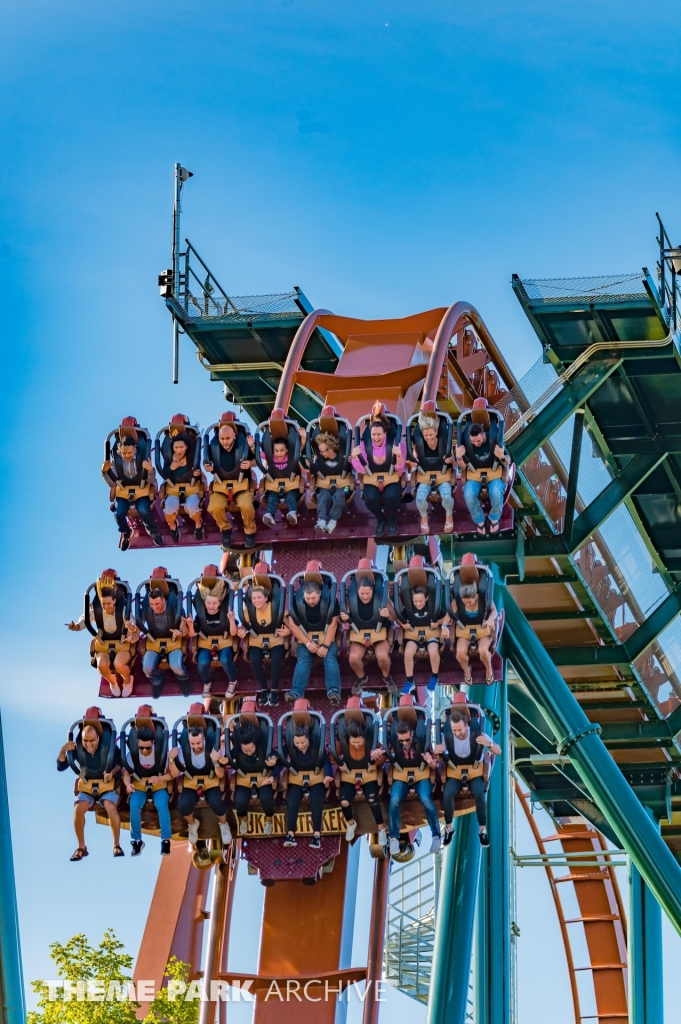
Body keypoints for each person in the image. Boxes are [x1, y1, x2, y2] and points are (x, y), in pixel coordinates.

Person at [57, 714, 123, 861]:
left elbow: (121, 763)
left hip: (106, 786)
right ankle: (81, 847)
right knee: (78, 809)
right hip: (87, 787)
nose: (88, 744)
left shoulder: (109, 746)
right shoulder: (78, 747)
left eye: (92, 740)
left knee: (110, 807)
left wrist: (111, 773)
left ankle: (116, 844)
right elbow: (60, 766)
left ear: (98, 738)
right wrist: (63, 750)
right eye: (85, 740)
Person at [436, 704, 501, 847]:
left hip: (474, 769)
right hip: (455, 769)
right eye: (454, 730)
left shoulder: (477, 733)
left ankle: (482, 829)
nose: (457, 733)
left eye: (459, 729)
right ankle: (449, 828)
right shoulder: (447, 736)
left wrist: (488, 743)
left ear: (466, 725)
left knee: (479, 792)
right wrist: (437, 752)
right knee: (447, 793)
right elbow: (439, 758)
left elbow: (498, 750)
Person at [67, 573, 137, 697]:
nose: (106, 607)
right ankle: (113, 682)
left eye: (109, 604)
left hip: (122, 643)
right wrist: (77, 626)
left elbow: (134, 625)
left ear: (114, 601)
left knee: (118, 664)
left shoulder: (122, 610)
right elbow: (85, 620)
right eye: (103, 604)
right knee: (101, 666)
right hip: (104, 643)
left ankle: (127, 680)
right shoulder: (97, 611)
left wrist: (131, 629)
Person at [169, 714, 233, 848]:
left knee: (217, 803)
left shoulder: (214, 748)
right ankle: (193, 824)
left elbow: (221, 775)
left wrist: (216, 762)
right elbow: (175, 773)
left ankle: (224, 824)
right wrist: (171, 760)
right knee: (183, 806)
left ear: (204, 739)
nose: (196, 746)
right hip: (192, 781)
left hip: (210, 780)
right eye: (192, 743)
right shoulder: (183, 751)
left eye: (198, 743)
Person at [386, 703, 441, 855]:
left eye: (407, 740)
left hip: (421, 771)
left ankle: (436, 835)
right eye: (401, 741)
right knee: (394, 800)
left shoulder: (422, 741)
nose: (404, 743)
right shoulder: (395, 743)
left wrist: (431, 762)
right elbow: (381, 752)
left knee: (425, 799)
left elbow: (435, 762)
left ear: (412, 734)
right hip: (402, 772)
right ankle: (394, 837)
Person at [281, 704, 333, 850]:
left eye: (303, 742)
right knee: (292, 799)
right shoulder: (291, 745)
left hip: (316, 776)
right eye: (297, 743)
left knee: (316, 799)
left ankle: (316, 835)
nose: (300, 746)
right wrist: (272, 776)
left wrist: (328, 775)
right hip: (297, 776)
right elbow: (280, 758)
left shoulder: (316, 745)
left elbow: (325, 761)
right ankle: (290, 834)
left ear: (308, 738)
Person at [334, 702, 387, 845]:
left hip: (368, 774)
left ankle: (381, 828)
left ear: (364, 738)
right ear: (349, 739)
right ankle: (351, 823)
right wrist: (340, 764)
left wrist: (376, 759)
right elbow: (331, 754)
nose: (356, 745)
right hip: (350, 775)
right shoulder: (343, 743)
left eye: (359, 742)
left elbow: (384, 755)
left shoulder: (372, 742)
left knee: (372, 799)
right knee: (344, 801)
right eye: (354, 742)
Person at [102, 427, 163, 550]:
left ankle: (153, 531)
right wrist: (104, 472)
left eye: (130, 453)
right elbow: (112, 483)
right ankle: (126, 533)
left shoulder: (142, 460)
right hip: (123, 490)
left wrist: (150, 469)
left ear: (135, 449)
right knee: (119, 513)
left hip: (141, 489)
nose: (127, 456)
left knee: (143, 509)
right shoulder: (116, 463)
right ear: (119, 450)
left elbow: (150, 480)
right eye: (124, 453)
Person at [352, 405, 407, 537]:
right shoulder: (365, 445)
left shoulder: (396, 444)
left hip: (391, 476)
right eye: (373, 434)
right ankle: (381, 519)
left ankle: (392, 519)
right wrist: (355, 456)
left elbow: (400, 469)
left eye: (379, 434)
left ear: (385, 433)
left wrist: (398, 456)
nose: (376, 437)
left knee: (391, 496)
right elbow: (360, 469)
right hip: (372, 477)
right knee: (369, 498)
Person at [121, 717, 173, 857]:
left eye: (148, 748)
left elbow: (171, 775)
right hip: (139, 784)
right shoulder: (132, 755)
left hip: (158, 783)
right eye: (141, 747)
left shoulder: (161, 754)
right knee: (134, 804)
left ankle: (166, 840)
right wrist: (128, 784)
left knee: (162, 804)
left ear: (153, 743)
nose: (144, 751)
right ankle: (137, 840)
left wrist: (160, 778)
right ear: (137, 743)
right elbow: (126, 774)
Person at [204, 417, 258, 551]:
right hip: (221, 484)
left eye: (228, 438)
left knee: (246, 506)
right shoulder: (213, 446)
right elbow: (207, 463)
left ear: (234, 436)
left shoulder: (243, 444)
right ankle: (226, 529)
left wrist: (249, 464)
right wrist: (208, 467)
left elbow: (257, 461)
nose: (225, 442)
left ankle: (250, 531)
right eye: (222, 439)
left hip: (241, 484)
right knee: (214, 508)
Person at [237, 573, 290, 707]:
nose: (256, 601)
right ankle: (264, 689)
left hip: (275, 638)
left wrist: (288, 631)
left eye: (259, 597)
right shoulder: (250, 611)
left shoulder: (275, 607)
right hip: (256, 639)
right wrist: (241, 631)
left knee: (276, 658)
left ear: (266, 598)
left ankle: (273, 690)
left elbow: (289, 623)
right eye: (254, 598)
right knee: (254, 659)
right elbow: (243, 626)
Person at [341, 569, 396, 695]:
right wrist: (342, 617)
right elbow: (341, 617)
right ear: (357, 591)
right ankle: (362, 678)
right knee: (353, 658)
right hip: (359, 632)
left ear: (372, 590)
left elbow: (394, 616)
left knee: (382, 656)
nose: (365, 596)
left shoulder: (381, 598)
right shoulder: (351, 599)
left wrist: (388, 614)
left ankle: (386, 677)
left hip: (379, 632)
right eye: (362, 593)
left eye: (367, 593)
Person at [287, 577, 341, 705]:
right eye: (307, 598)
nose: (310, 601)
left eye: (313, 598)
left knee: (330, 658)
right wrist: (308, 643)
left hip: (327, 636)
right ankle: (296, 692)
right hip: (307, 638)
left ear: (320, 594)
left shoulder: (331, 601)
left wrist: (325, 646)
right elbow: (293, 624)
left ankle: (334, 692)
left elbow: (333, 624)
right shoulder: (296, 602)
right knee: (303, 659)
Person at [187, 567, 239, 699]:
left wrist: (232, 620)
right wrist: (191, 626)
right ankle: (207, 683)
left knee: (225, 660)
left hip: (225, 639)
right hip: (206, 641)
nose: (211, 606)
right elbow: (193, 634)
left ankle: (233, 681)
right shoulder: (201, 616)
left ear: (219, 603)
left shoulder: (226, 614)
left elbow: (233, 633)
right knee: (202, 663)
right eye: (208, 603)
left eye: (214, 603)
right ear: (204, 603)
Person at [228, 704, 278, 837]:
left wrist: (273, 761)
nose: (248, 753)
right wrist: (221, 760)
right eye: (245, 751)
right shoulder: (239, 749)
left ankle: (269, 819)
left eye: (250, 750)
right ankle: (243, 819)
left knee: (266, 797)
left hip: (262, 777)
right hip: (244, 777)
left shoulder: (262, 747)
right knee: (240, 800)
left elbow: (275, 754)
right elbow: (228, 756)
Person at [456, 415, 510, 536]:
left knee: (496, 492)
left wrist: (501, 456)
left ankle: (494, 518)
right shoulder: (468, 443)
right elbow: (463, 467)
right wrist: (459, 457)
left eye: (478, 441)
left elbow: (508, 461)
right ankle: (479, 520)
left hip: (493, 470)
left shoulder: (494, 439)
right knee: (468, 494)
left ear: (484, 435)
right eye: (473, 442)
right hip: (474, 472)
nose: (476, 444)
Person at [139, 575, 191, 698]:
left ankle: (183, 678)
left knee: (176, 666)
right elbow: (137, 626)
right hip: (154, 640)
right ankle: (158, 681)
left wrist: (181, 632)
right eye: (152, 604)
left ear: (163, 600)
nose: (154, 607)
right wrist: (132, 630)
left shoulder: (174, 607)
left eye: (157, 603)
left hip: (173, 640)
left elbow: (184, 627)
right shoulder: (147, 608)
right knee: (146, 668)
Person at [408, 409, 455, 535]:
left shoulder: (443, 442)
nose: (428, 438)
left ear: (436, 433)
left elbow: (452, 460)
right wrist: (413, 463)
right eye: (426, 435)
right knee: (420, 498)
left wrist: (451, 460)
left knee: (446, 496)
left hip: (443, 474)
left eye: (431, 435)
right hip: (425, 475)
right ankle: (424, 517)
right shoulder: (419, 445)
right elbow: (414, 457)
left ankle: (449, 516)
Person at [158, 424, 205, 542]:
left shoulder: (191, 457)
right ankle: (173, 527)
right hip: (173, 488)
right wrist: (171, 468)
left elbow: (198, 473)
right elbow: (164, 474)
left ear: (186, 447)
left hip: (191, 488)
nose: (179, 450)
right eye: (176, 447)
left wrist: (197, 475)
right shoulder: (169, 458)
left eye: (181, 447)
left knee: (192, 507)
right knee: (168, 509)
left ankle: (198, 524)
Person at [400, 584, 450, 694]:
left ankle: (435, 677)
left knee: (433, 651)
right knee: (408, 653)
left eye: (421, 601)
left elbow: (446, 617)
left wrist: (438, 623)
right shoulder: (408, 608)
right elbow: (400, 618)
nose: (418, 604)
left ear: (426, 598)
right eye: (415, 601)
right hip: (413, 635)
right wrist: (403, 624)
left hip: (431, 633)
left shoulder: (432, 607)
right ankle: (409, 681)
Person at [451, 580, 497, 686]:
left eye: (469, 602)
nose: (467, 604)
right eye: (464, 602)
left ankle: (489, 670)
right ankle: (467, 670)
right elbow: (448, 616)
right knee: (460, 652)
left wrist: (490, 619)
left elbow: (494, 610)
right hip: (465, 629)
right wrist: (444, 626)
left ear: (474, 596)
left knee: (483, 650)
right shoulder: (457, 601)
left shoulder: (483, 598)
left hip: (482, 628)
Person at [306, 431, 352, 534]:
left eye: (322, 451)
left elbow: (350, 469)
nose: (321, 453)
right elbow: (314, 471)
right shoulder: (319, 459)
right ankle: (322, 519)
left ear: (330, 450)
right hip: (325, 485)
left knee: (340, 494)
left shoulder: (343, 457)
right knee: (323, 495)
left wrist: (350, 461)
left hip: (344, 486)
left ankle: (333, 520)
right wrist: (311, 465)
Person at [261, 437, 303, 527]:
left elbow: (300, 448)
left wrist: (302, 437)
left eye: (282, 450)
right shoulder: (271, 457)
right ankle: (269, 515)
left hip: (290, 484)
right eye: (276, 451)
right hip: (275, 485)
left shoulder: (291, 457)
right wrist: (252, 445)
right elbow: (258, 454)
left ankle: (292, 513)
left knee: (290, 497)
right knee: (272, 498)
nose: (279, 453)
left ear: (287, 450)